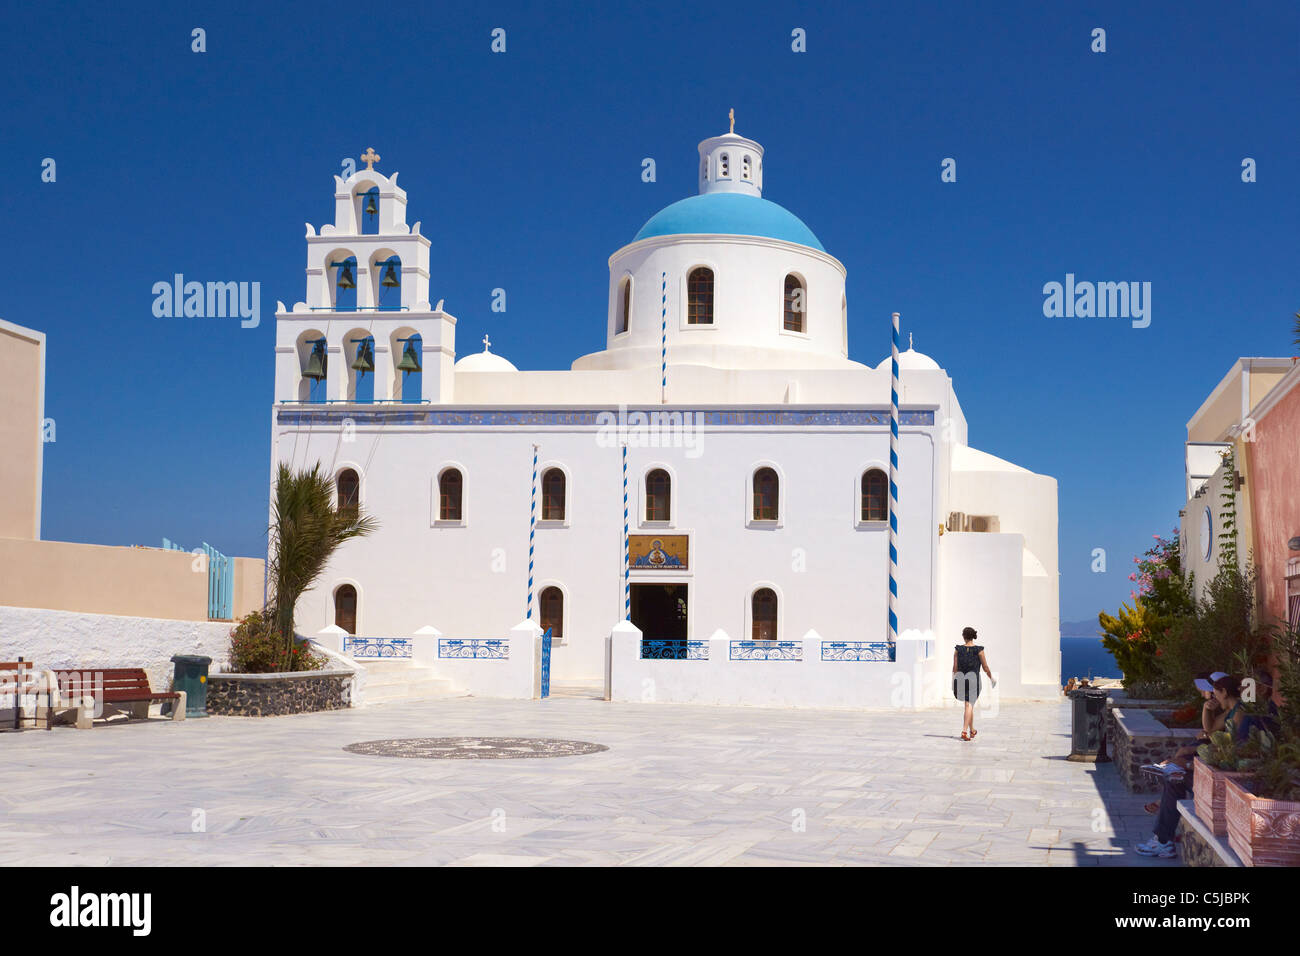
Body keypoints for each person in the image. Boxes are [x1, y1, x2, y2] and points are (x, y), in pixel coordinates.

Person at [1136, 674, 1245, 859]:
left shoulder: (1239, 714)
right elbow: (1210, 731)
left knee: (1174, 780)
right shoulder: (1231, 711)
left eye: (1216, 693)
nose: (1214, 697)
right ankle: (1163, 840)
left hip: (1224, 778)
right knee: (1174, 777)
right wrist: (1206, 709)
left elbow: (1229, 751)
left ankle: (1163, 841)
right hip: (1216, 768)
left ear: (1224, 692)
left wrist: (1188, 764)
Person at [952, 626, 995, 741]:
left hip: (960, 679)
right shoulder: (979, 650)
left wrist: (953, 681)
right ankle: (964, 731)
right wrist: (991, 678)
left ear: (964, 636)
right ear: (973, 637)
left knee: (968, 706)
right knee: (969, 705)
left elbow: (955, 667)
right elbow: (985, 667)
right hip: (973, 680)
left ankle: (972, 730)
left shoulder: (958, 649)